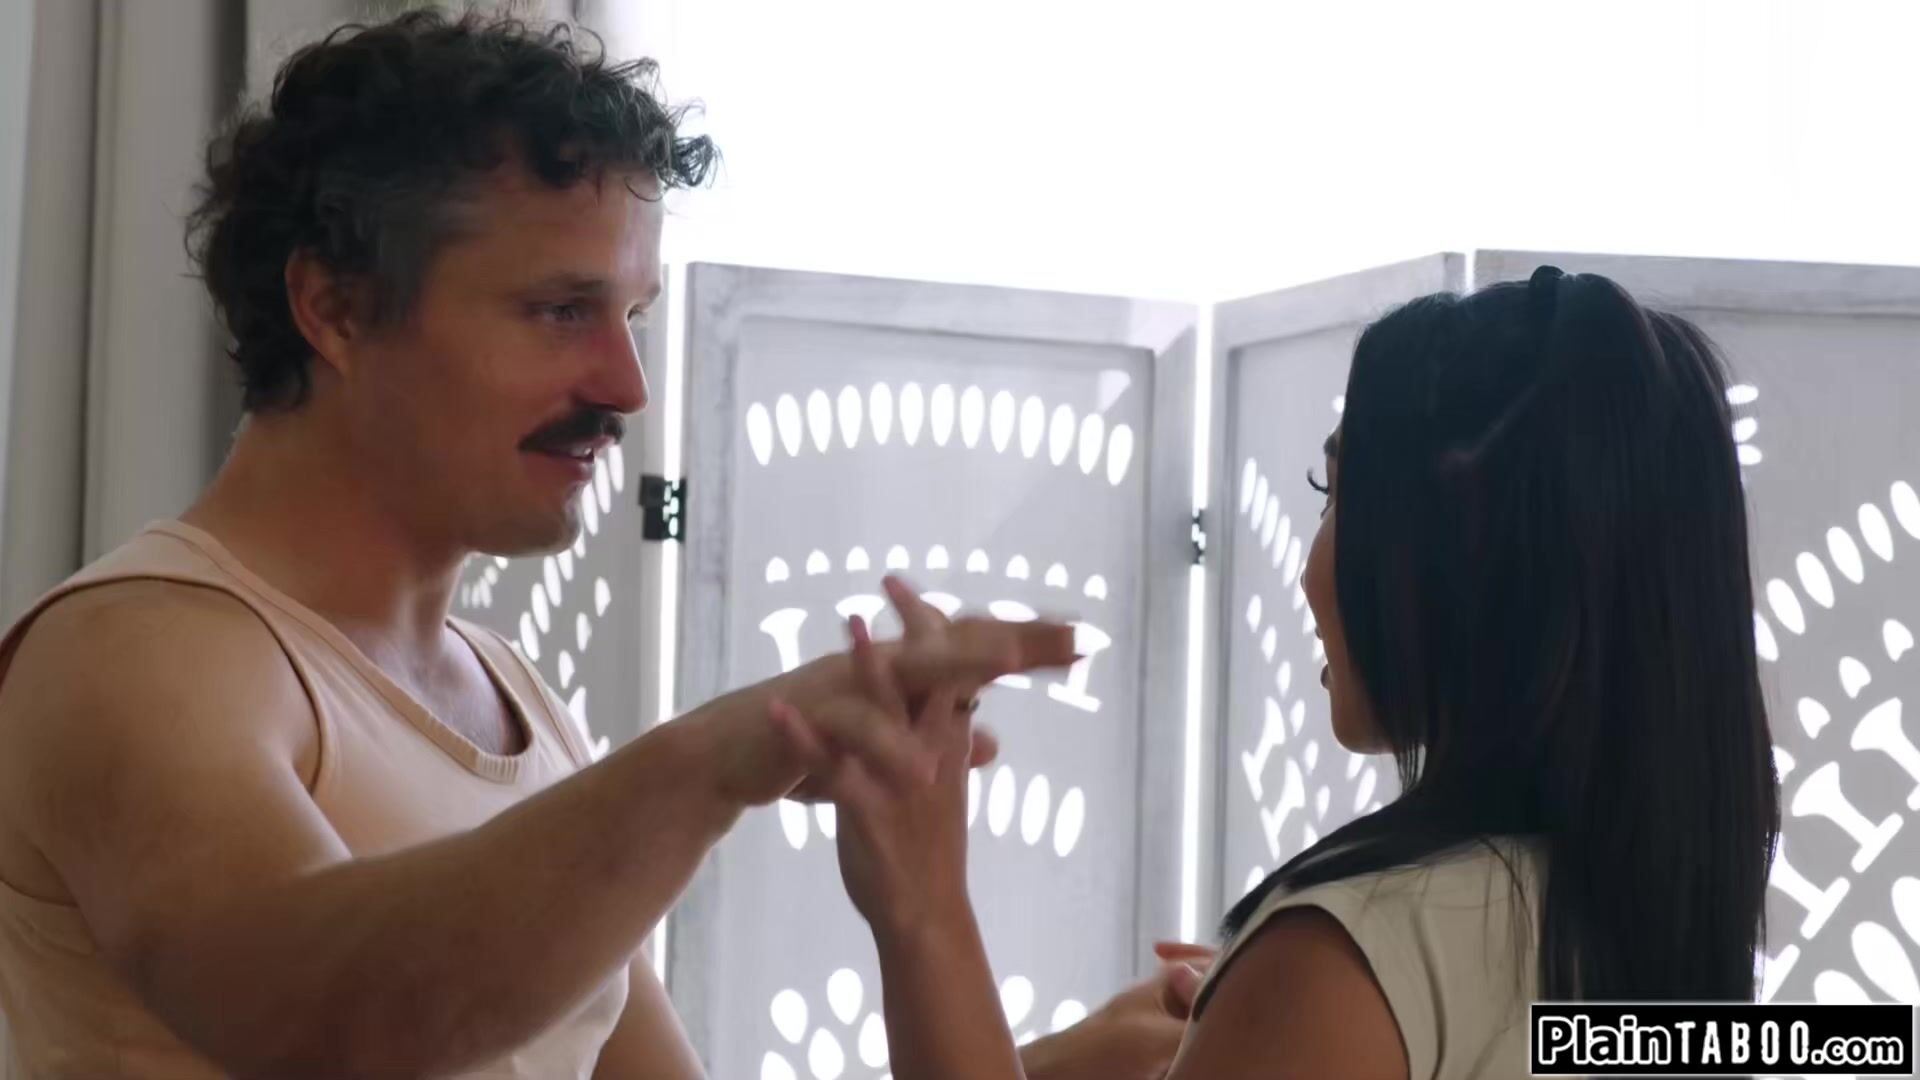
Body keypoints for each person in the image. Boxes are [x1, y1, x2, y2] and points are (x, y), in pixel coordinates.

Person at [0, 11, 1208, 1079]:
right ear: (336, 307)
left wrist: (1058, 1063)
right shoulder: (136, 654)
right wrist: (713, 759)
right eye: (560, 311)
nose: (627, 386)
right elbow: (332, 1026)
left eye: (630, 315)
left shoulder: (517, 700)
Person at [788, 267, 1783, 1079]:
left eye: (1336, 496)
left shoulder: (1353, 957)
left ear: (1458, 558)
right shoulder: (1647, 934)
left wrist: (923, 911)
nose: (1310, 570)